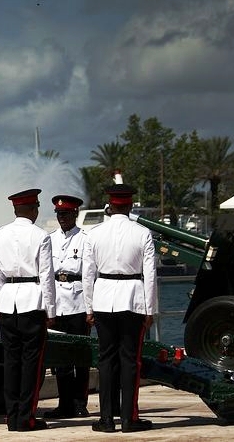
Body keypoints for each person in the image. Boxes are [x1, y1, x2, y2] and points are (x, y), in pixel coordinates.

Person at [82, 184, 157, 433]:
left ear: (110, 206)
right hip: (133, 299)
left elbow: (87, 274)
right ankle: (128, 418)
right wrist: (150, 310)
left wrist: (89, 307)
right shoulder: (142, 233)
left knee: (106, 360)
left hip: (103, 298)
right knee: (130, 361)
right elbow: (150, 275)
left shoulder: (93, 234)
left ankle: (106, 419)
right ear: (130, 205)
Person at [0, 188, 56, 432]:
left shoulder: (1, 234)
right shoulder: (41, 236)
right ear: (32, 209)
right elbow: (47, 276)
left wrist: (1, 300)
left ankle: (12, 416)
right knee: (32, 364)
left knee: (11, 362)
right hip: (32, 300)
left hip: (8, 300)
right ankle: (26, 417)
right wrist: (51, 310)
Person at [43, 194, 90, 419]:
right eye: (59, 214)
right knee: (61, 358)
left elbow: (92, 275)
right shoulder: (49, 239)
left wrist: (92, 308)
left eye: (66, 213)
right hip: (57, 302)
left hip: (78, 301)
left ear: (75, 214)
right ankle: (64, 404)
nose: (62, 217)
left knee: (80, 356)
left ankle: (80, 403)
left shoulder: (85, 239)